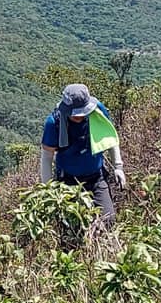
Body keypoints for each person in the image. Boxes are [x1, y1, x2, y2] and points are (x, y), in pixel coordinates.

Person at [40, 82, 125, 226]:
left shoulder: (97, 112)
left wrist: (118, 167)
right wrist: (47, 189)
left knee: (108, 221)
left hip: (96, 177)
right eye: (75, 113)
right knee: (72, 226)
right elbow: (47, 158)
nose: (79, 117)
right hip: (67, 181)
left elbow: (109, 139)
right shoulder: (54, 122)